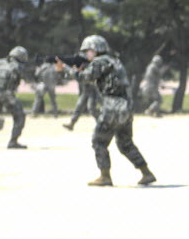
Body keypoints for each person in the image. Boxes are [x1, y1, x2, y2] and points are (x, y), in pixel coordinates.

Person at [58, 35, 156, 186]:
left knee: (99, 141)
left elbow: (85, 78)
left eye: (88, 51)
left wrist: (65, 69)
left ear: (96, 50)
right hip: (126, 106)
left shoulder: (99, 61)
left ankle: (105, 176)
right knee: (125, 143)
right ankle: (146, 172)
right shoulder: (114, 60)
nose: (86, 54)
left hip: (112, 106)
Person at [0, 46, 31, 148]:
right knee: (19, 115)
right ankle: (13, 141)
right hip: (6, 93)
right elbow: (21, 78)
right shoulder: (18, 66)